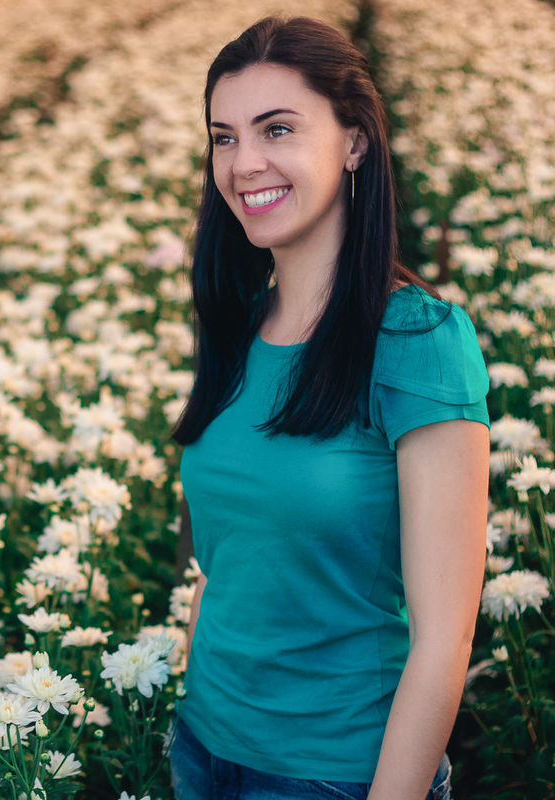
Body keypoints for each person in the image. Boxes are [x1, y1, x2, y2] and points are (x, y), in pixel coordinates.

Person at [168, 16, 489, 800]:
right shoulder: (239, 322)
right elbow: (227, 558)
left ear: (354, 143)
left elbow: (444, 643)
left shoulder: (420, 342)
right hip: (202, 748)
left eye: (277, 129)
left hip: (335, 773)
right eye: (224, 137)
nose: (245, 164)